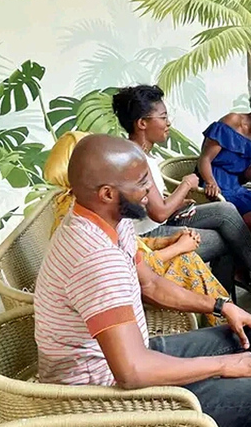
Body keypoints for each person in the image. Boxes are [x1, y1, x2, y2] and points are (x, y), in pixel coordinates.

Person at [33, 135, 251, 427]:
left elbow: (151, 284)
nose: (151, 188)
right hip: (103, 397)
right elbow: (132, 373)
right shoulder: (94, 258)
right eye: (142, 182)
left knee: (242, 336)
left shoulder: (111, 222)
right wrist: (224, 365)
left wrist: (222, 305)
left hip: (126, 355)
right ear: (107, 193)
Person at [112, 85, 251, 301]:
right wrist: (185, 185)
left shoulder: (135, 154)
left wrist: (179, 202)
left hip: (166, 219)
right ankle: (225, 301)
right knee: (232, 235)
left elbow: (149, 205)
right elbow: (159, 214)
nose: (168, 122)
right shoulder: (137, 161)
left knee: (227, 211)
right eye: (163, 117)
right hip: (148, 237)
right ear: (142, 123)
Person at [43, 130, 228, 328]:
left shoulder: (106, 213)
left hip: (139, 282)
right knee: (191, 258)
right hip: (126, 309)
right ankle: (226, 325)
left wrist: (168, 241)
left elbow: (134, 256)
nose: (149, 189)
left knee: (219, 221)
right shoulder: (92, 248)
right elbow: (129, 272)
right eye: (141, 183)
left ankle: (225, 319)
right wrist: (178, 247)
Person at [197, 85, 251, 236]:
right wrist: (211, 182)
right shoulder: (233, 121)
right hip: (213, 183)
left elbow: (246, 178)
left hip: (235, 187)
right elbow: (204, 159)